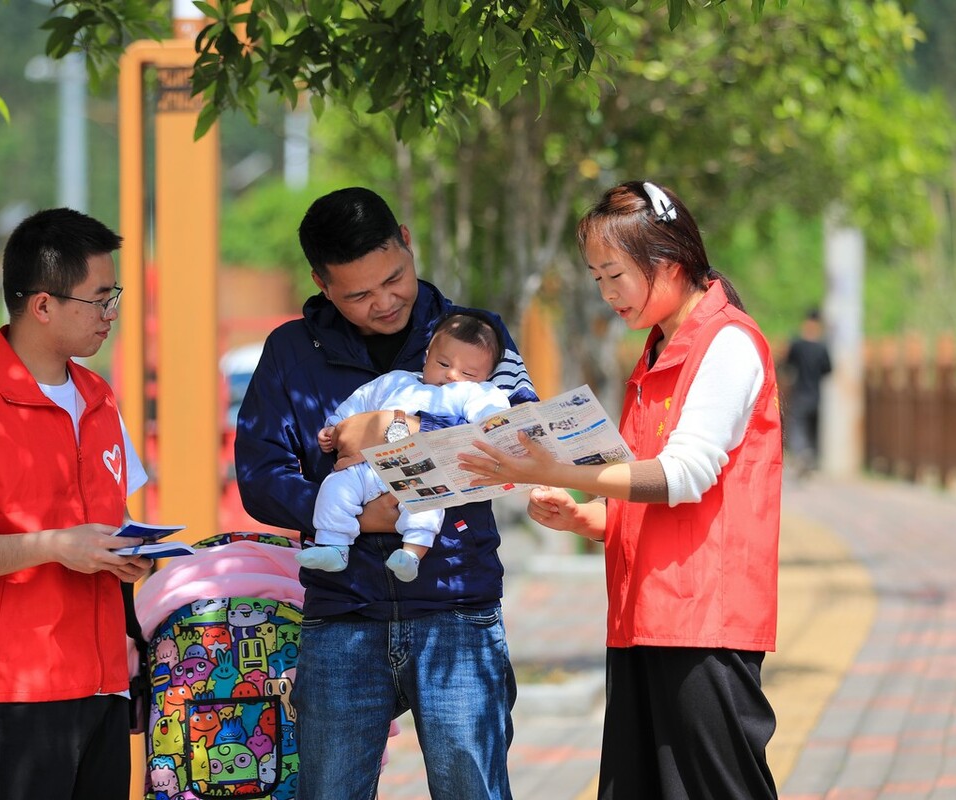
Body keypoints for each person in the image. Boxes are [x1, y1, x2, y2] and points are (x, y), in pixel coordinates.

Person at [459, 180, 783, 799]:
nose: (606, 293)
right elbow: (656, 502)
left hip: (702, 622)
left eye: (615, 275)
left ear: (669, 262)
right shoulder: (660, 349)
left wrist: (550, 470)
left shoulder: (728, 343)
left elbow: (683, 476)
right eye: (596, 277)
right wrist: (588, 520)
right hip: (645, 616)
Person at [234, 186, 537, 800]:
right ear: (321, 283)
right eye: (358, 294)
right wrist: (372, 517)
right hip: (340, 616)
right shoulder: (290, 353)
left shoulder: (475, 337)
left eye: (394, 279)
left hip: (457, 609)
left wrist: (395, 433)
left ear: (406, 239)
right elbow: (261, 477)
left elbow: (522, 443)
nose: (384, 302)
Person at [0, 208, 152, 800]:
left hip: (103, 686)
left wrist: (134, 558)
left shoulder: (99, 399)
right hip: (14, 691)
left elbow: (114, 525)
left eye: (112, 295)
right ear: (43, 305)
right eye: (98, 299)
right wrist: (52, 547)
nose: (111, 313)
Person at [302, 311, 511, 582]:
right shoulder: (395, 381)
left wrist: (492, 416)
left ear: (487, 376)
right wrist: (335, 427)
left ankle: (411, 553)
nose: (451, 375)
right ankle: (333, 546)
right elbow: (359, 403)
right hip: (368, 466)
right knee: (335, 486)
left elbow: (492, 418)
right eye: (442, 363)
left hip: (420, 470)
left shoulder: (473, 393)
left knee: (428, 502)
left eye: (468, 372)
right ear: (427, 355)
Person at [783, 307, 832, 476]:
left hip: (800, 392)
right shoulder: (822, 347)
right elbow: (828, 369)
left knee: (797, 425)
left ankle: (801, 453)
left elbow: (787, 364)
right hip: (816, 395)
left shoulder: (797, 345)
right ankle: (810, 455)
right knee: (813, 427)